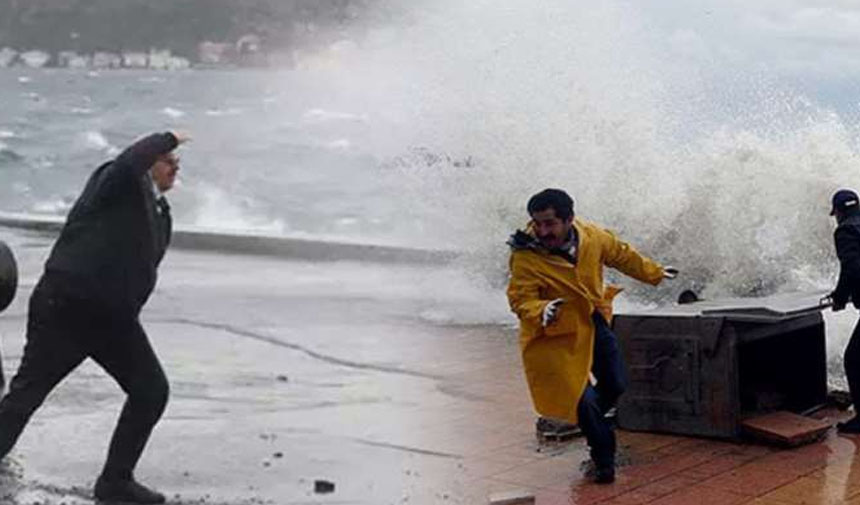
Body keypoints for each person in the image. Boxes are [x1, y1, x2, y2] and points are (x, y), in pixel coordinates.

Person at [0, 131, 189, 503]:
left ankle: (115, 481)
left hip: (111, 319)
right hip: (67, 308)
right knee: (27, 395)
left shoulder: (161, 213)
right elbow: (128, 161)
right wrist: (167, 136)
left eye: (176, 161)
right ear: (148, 162)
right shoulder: (115, 182)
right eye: (168, 159)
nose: (175, 166)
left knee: (151, 391)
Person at [506, 188, 676, 484]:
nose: (542, 231)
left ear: (569, 219)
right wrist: (541, 309)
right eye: (537, 223)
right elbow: (520, 299)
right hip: (553, 336)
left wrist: (654, 273)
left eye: (549, 223)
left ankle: (589, 420)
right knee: (582, 400)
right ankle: (603, 458)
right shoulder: (525, 256)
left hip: (592, 321)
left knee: (616, 382)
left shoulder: (592, 236)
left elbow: (622, 255)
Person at [827, 189, 860, 434]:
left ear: (838, 212)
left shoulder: (846, 230)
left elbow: (852, 269)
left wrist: (839, 298)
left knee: (854, 359)